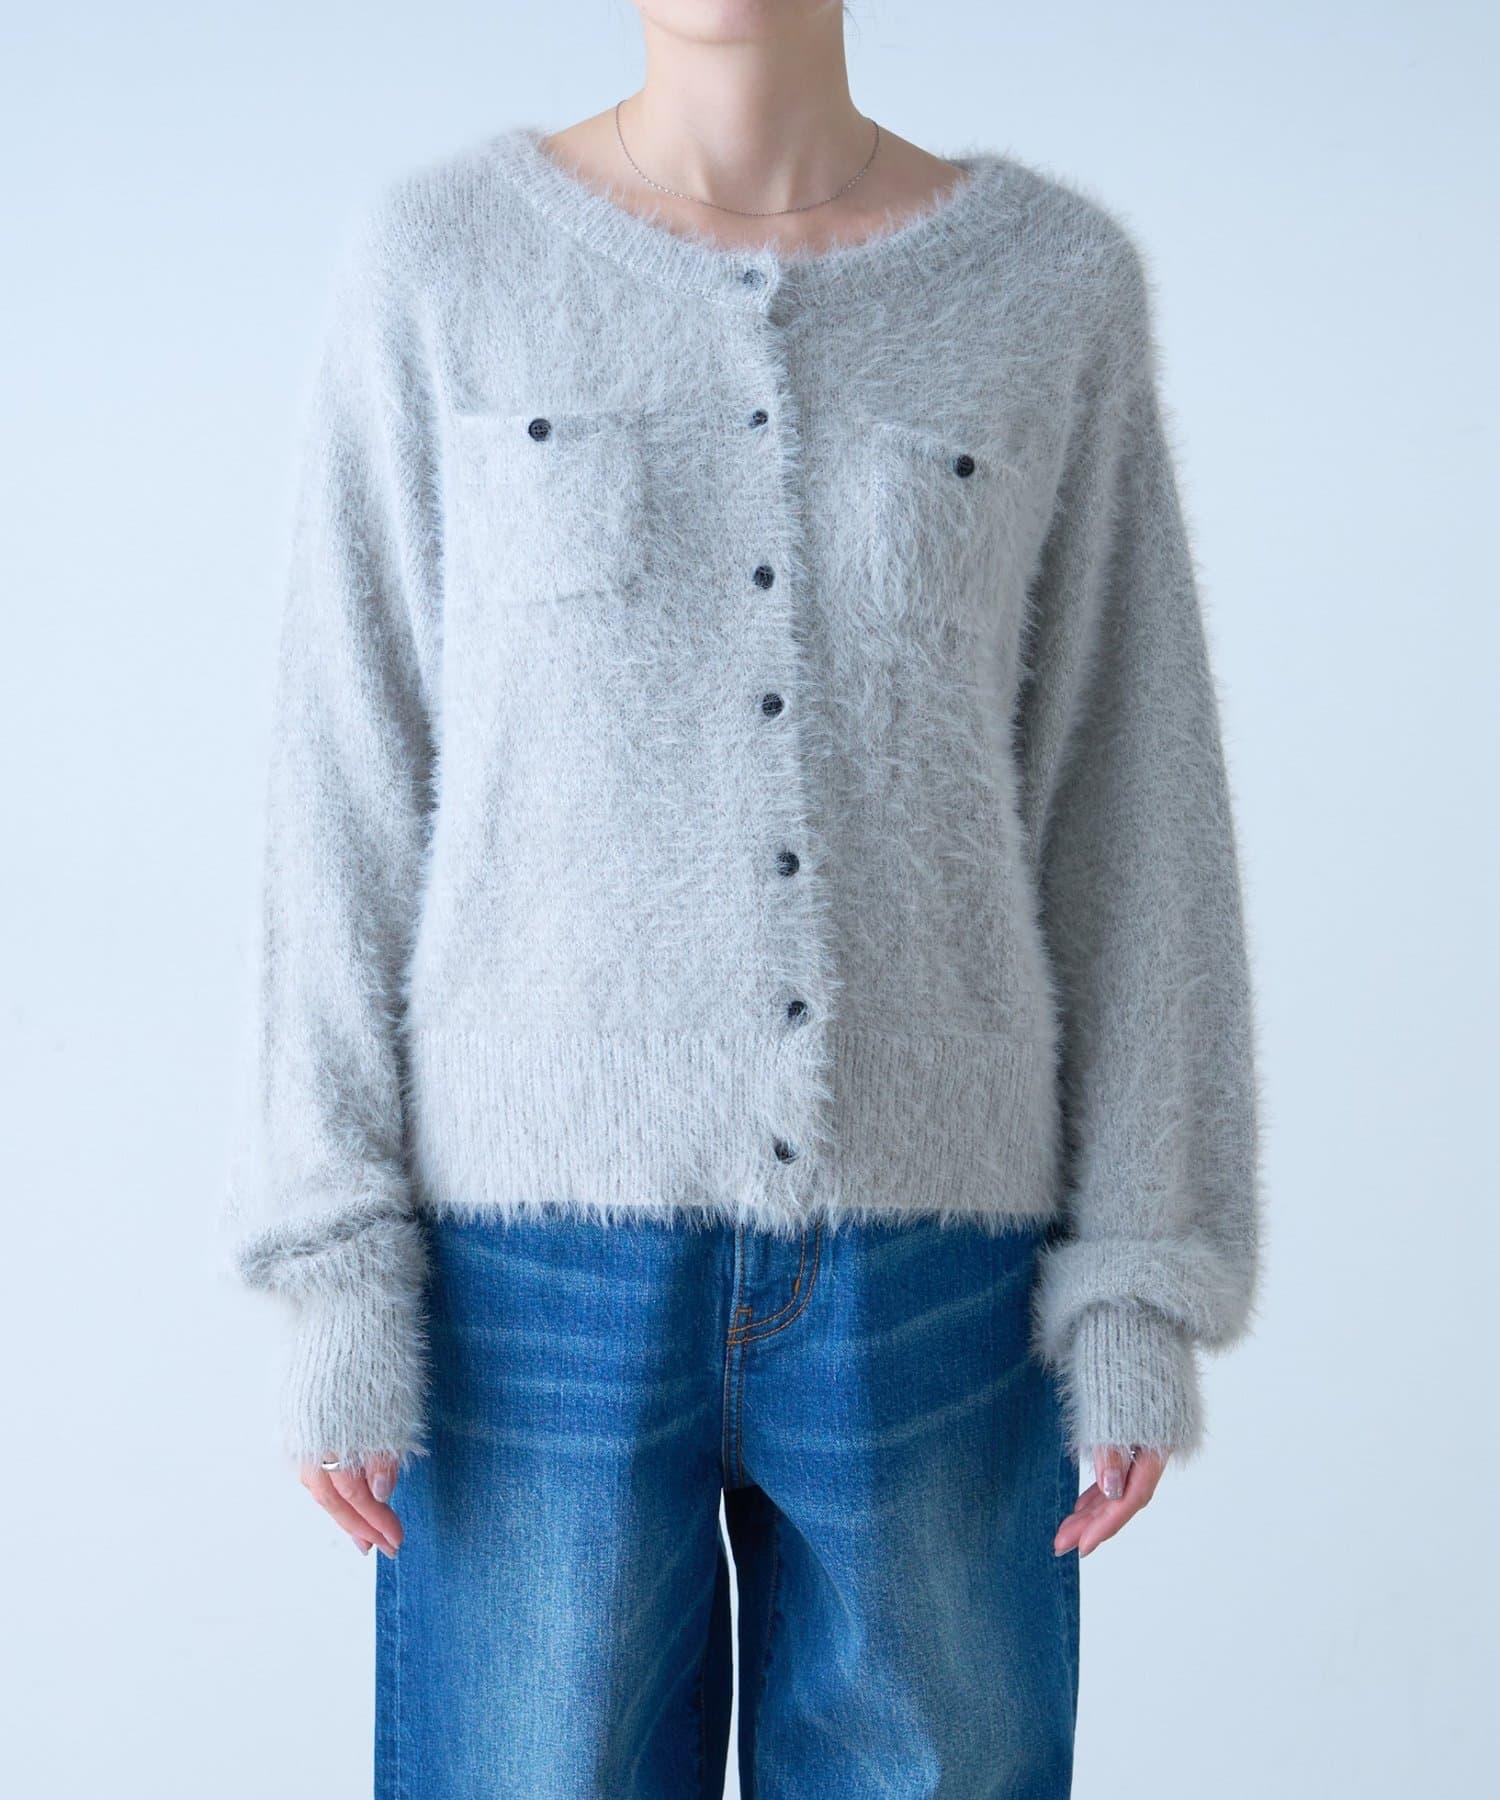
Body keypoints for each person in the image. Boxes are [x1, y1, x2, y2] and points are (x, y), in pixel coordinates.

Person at [223, 3, 1262, 1792]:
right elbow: (342, 785)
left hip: (943, 1272)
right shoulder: (443, 265)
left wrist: (1140, 1274)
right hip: (523, 1280)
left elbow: (1131, 796)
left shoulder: (1049, 288)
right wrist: (334, 1262)